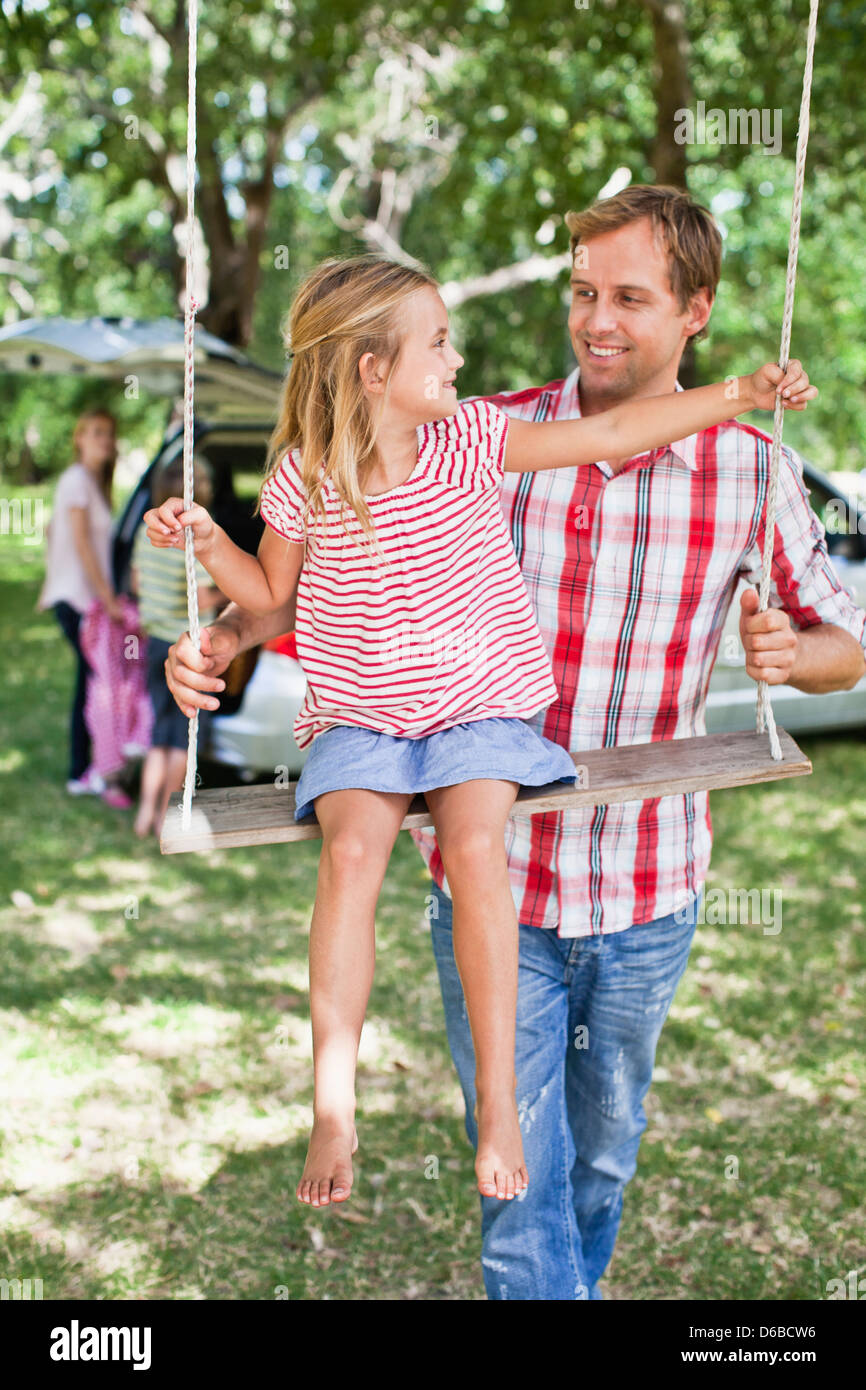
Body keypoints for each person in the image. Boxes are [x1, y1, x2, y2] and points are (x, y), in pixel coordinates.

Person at [144, 251, 813, 1213]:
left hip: (478, 707)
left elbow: (614, 428)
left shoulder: (467, 440)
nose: (457, 361)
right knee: (352, 857)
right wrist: (211, 545)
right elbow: (271, 596)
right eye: (440, 342)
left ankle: (500, 1102)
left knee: (472, 847)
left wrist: (739, 392)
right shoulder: (305, 476)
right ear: (374, 370)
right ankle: (334, 1103)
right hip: (362, 714)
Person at [37, 407, 130, 806]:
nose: (103, 440)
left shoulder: (91, 483)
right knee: (95, 685)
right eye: (95, 433)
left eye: (108, 434)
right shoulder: (76, 481)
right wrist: (108, 599)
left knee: (90, 683)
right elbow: (79, 543)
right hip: (80, 603)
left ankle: (88, 767)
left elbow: (50, 531)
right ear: (79, 437)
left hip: (82, 599)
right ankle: (84, 770)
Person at [130, 457, 222, 838]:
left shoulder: (143, 534)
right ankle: (165, 818)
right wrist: (228, 593)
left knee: (158, 735)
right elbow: (200, 597)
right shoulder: (191, 541)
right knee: (183, 738)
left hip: (154, 644)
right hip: (185, 647)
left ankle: (144, 814)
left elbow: (136, 584)